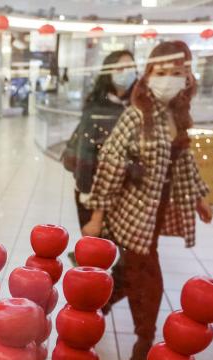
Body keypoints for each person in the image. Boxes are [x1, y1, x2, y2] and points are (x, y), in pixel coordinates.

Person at [82, 40, 212, 360]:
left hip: (159, 210)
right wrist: (96, 216)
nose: (169, 79)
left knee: (130, 274)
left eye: (177, 73)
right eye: (162, 72)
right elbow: (110, 166)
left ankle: (95, 306)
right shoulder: (135, 116)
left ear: (188, 77)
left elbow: (184, 163)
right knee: (149, 276)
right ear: (149, 73)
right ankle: (145, 339)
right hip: (132, 212)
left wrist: (199, 197)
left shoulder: (177, 116)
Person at [73, 50, 137, 228]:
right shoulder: (96, 105)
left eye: (131, 67)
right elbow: (85, 151)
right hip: (95, 182)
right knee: (95, 240)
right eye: (121, 68)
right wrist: (85, 189)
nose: (127, 72)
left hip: (128, 189)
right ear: (109, 72)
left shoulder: (141, 105)